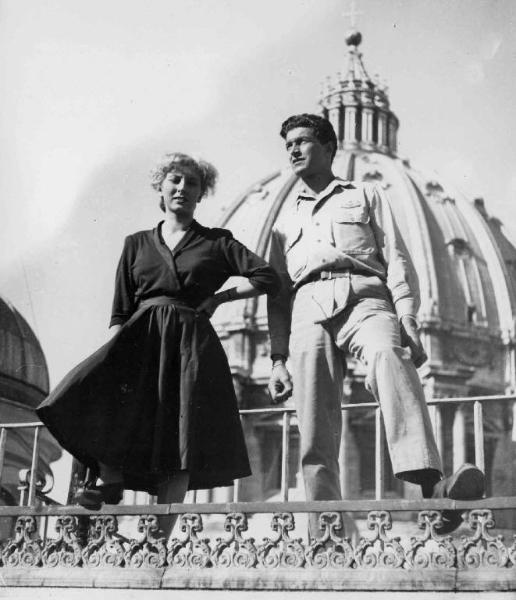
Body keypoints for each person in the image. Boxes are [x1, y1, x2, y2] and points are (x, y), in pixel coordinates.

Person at [37, 152, 280, 535]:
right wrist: (112, 361)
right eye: (176, 180)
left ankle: (159, 538)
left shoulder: (217, 242)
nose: (183, 188)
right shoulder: (135, 243)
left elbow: (268, 277)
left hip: (189, 345)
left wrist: (219, 299)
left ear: (202, 195)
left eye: (192, 184)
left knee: (179, 443)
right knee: (91, 401)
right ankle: (108, 478)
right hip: (141, 342)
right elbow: (120, 310)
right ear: (161, 188)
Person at [267, 114, 485, 537]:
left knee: (389, 355)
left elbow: (396, 255)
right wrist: (277, 358)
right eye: (288, 144)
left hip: (365, 293)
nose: (293, 150)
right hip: (306, 305)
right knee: (312, 422)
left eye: (303, 141)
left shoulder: (366, 194)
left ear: (329, 147)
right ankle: (326, 531)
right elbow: (277, 294)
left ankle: (432, 485)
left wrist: (407, 317)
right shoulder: (282, 221)